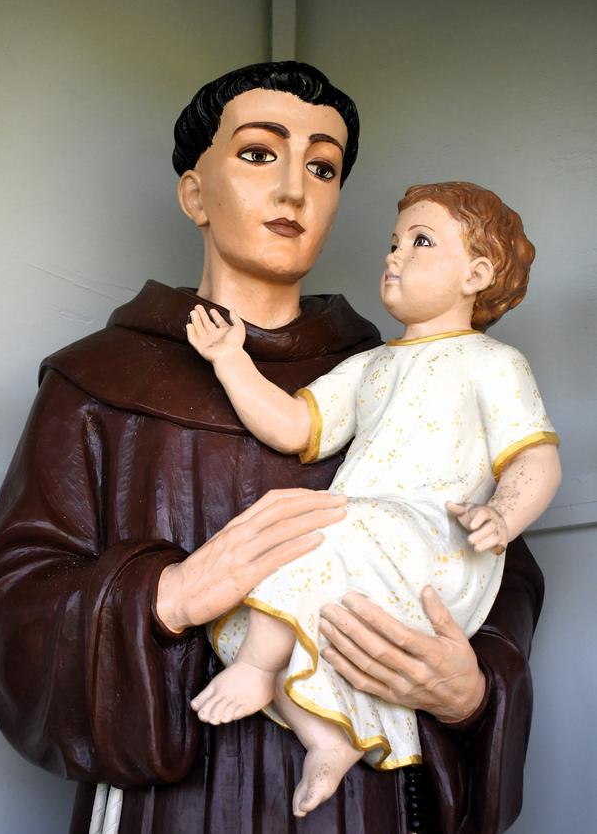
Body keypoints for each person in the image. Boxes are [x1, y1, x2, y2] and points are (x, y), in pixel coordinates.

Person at [0, 62, 546, 834]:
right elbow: (13, 598)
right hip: (171, 809)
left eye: (323, 166)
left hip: (359, 804)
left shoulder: (394, 376)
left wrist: (468, 690)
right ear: (194, 192)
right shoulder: (96, 383)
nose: (295, 191)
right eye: (260, 153)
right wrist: (168, 595)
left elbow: (491, 567)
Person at [185, 181, 561, 818]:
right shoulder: (372, 365)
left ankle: (254, 669)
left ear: (478, 272)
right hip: (364, 536)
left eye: (420, 242)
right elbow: (293, 426)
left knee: (318, 529)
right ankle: (325, 737)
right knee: (287, 543)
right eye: (394, 242)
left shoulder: (493, 362)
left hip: (440, 546)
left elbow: (536, 458)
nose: (394, 255)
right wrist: (229, 361)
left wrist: (502, 514)